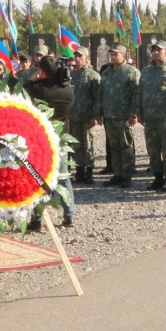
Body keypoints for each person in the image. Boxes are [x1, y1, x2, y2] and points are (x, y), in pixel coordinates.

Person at [24, 54, 76, 226]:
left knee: (40, 178)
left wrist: (32, 80)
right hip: (61, 136)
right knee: (63, 177)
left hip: (42, 139)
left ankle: (37, 218)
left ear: (42, 71)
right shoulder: (68, 91)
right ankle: (69, 215)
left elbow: (23, 93)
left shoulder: (38, 89)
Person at [136, 40, 166, 192]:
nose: (155, 52)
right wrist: (140, 113)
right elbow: (140, 93)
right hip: (150, 119)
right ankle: (157, 177)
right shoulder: (146, 71)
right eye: (154, 50)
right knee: (153, 149)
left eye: (159, 50)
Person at [98, 44, 140, 187]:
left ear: (124, 55)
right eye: (112, 54)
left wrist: (134, 113)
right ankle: (117, 173)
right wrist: (99, 113)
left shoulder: (131, 72)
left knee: (126, 145)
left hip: (124, 116)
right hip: (109, 115)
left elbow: (136, 94)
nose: (113, 57)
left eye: (116, 54)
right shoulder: (106, 73)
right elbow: (101, 94)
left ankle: (127, 175)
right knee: (114, 146)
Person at [68, 47, 102, 184]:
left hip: (88, 117)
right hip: (74, 116)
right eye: (75, 56)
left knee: (88, 145)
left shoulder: (93, 75)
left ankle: (89, 172)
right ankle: (79, 171)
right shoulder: (71, 75)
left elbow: (98, 97)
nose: (77, 59)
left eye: (80, 56)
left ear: (86, 58)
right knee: (76, 145)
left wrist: (96, 115)